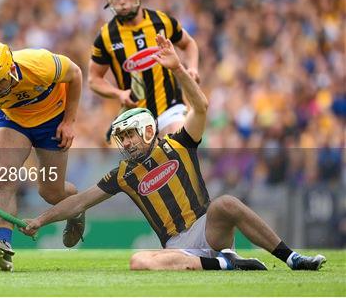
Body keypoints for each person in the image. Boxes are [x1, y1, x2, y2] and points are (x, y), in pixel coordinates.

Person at [21, 34, 327, 271]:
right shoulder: (123, 174)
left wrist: (178, 68)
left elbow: (201, 107)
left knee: (226, 203)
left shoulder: (180, 143)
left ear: (149, 131)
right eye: (122, 138)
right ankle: (224, 263)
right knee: (139, 262)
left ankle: (292, 258)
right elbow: (78, 201)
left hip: (209, 230)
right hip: (178, 249)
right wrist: (40, 219)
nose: (126, 143)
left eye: (130, 136)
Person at [0, 42, 85, 271]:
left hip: (52, 119)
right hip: (13, 122)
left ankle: (77, 207)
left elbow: (76, 74)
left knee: (52, 193)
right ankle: (3, 244)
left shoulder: (39, 64)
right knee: (4, 177)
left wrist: (69, 121)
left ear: (11, 68)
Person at [88, 0, 200, 138]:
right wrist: (119, 94)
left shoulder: (161, 21)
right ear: (109, 0)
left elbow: (188, 43)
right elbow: (94, 79)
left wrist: (192, 67)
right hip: (137, 118)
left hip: (170, 106)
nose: (122, 2)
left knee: (178, 145)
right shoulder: (106, 37)